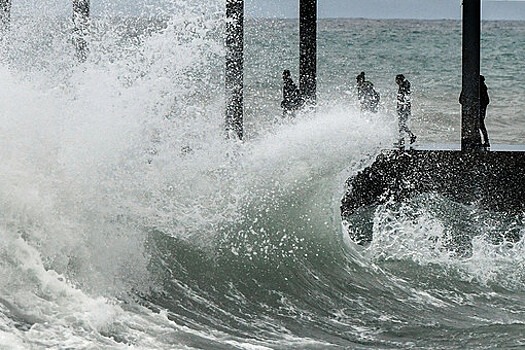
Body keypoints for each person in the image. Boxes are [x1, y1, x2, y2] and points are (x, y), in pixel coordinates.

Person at [395, 74, 417, 147]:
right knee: (401, 124)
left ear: (400, 80)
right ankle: (405, 138)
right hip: (402, 107)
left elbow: (405, 98)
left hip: (404, 108)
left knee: (401, 124)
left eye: (397, 80)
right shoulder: (404, 85)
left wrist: (403, 107)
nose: (396, 82)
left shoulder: (405, 86)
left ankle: (406, 138)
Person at [479, 75, 490, 147]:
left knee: (481, 125)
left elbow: (487, 100)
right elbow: (487, 101)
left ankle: (486, 141)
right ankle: (485, 140)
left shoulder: (482, 88)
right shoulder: (483, 88)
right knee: (480, 125)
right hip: (482, 108)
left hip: (481, 108)